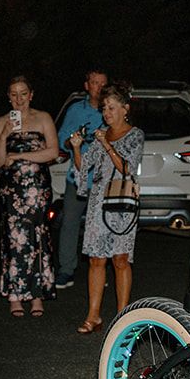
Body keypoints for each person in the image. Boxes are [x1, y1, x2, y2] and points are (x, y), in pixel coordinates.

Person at [70, 83, 145, 334]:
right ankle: (93, 316)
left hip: (122, 203)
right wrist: (78, 148)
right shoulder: (101, 134)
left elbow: (127, 168)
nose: (106, 113)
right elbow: (83, 169)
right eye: (104, 108)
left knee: (121, 259)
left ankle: (122, 317)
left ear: (125, 109)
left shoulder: (135, 135)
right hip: (98, 202)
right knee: (95, 259)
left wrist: (107, 144)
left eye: (111, 108)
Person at [0, 74, 59, 316]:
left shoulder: (43, 118)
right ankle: (15, 295)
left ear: (31, 94)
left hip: (38, 189)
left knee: (37, 237)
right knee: (14, 240)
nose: (19, 99)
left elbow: (52, 151)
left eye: (23, 93)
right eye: (14, 94)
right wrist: (4, 135)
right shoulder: (2, 122)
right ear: (8, 97)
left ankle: (37, 294)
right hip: (12, 191)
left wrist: (20, 156)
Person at [54, 68, 108, 289]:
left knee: (102, 225)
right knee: (69, 223)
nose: (99, 87)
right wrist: (73, 141)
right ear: (87, 85)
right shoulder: (76, 110)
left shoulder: (111, 111)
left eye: (103, 83)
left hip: (104, 180)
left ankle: (100, 269)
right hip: (77, 178)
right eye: (95, 83)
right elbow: (61, 141)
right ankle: (66, 270)